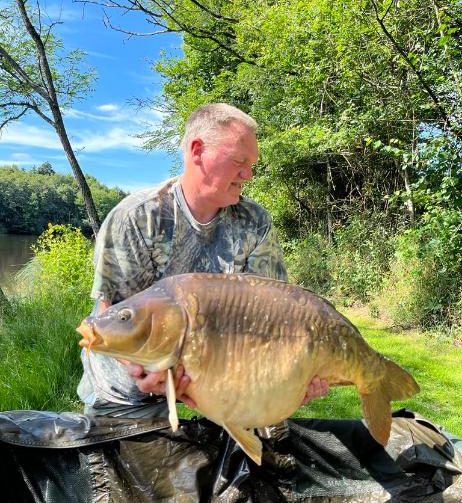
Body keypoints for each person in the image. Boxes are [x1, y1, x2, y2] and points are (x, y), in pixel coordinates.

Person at [77, 103, 328, 419]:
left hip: (220, 386)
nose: (248, 174)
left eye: (252, 164)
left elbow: (275, 316)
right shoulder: (137, 218)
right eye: (240, 161)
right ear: (198, 151)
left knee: (266, 452)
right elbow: (111, 316)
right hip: (127, 397)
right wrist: (144, 371)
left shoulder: (255, 222)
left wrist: (291, 378)